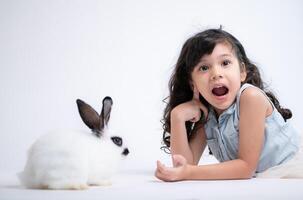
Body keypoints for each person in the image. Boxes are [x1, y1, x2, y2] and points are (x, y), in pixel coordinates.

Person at [155, 27, 302, 181]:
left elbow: (245, 168)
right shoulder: (208, 114)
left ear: (242, 72)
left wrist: (189, 172)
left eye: (225, 63)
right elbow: (183, 165)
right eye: (204, 68)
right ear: (193, 84)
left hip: (290, 167)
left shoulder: (250, 97)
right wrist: (176, 116)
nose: (216, 74)